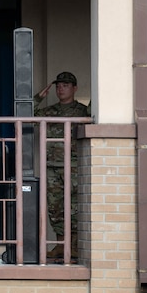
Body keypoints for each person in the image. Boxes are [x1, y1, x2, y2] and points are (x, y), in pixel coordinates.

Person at [35, 71, 91, 259]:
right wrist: (38, 97)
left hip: (73, 166)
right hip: (52, 166)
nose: (60, 89)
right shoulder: (49, 111)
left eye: (65, 85)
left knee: (74, 206)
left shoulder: (83, 111)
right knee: (55, 207)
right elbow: (27, 114)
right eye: (58, 86)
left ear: (74, 88)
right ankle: (60, 245)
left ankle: (73, 245)